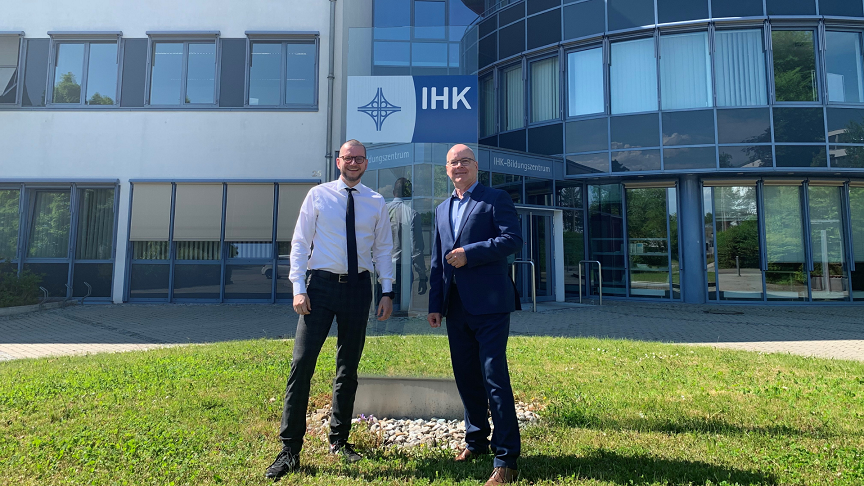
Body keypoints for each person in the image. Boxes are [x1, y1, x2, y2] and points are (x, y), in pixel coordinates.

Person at [265, 139, 395, 479]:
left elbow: (383, 249)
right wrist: (298, 288)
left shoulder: (376, 202)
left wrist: (387, 291)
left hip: (358, 289)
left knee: (347, 368)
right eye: (347, 157)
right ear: (338, 161)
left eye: (359, 158)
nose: (353, 162)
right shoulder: (318, 195)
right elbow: (299, 243)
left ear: (366, 163)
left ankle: (339, 440)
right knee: (302, 364)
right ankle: (290, 450)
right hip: (319, 288)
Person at [427, 144, 523, 486]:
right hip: (456, 308)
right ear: (447, 169)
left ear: (476, 167)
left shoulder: (495, 198)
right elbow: (438, 261)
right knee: (466, 377)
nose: (459, 166)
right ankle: (476, 441)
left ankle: (506, 458)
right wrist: (435, 305)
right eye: (453, 162)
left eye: (465, 161)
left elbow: (512, 239)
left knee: (493, 377)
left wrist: (471, 253)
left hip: (491, 305)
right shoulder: (441, 209)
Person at [385, 177, 428, 311]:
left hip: (383, 266)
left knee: (381, 308)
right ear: (410, 194)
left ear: (393, 192)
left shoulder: (383, 211)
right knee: (400, 310)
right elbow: (416, 249)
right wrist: (422, 276)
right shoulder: (412, 214)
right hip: (402, 268)